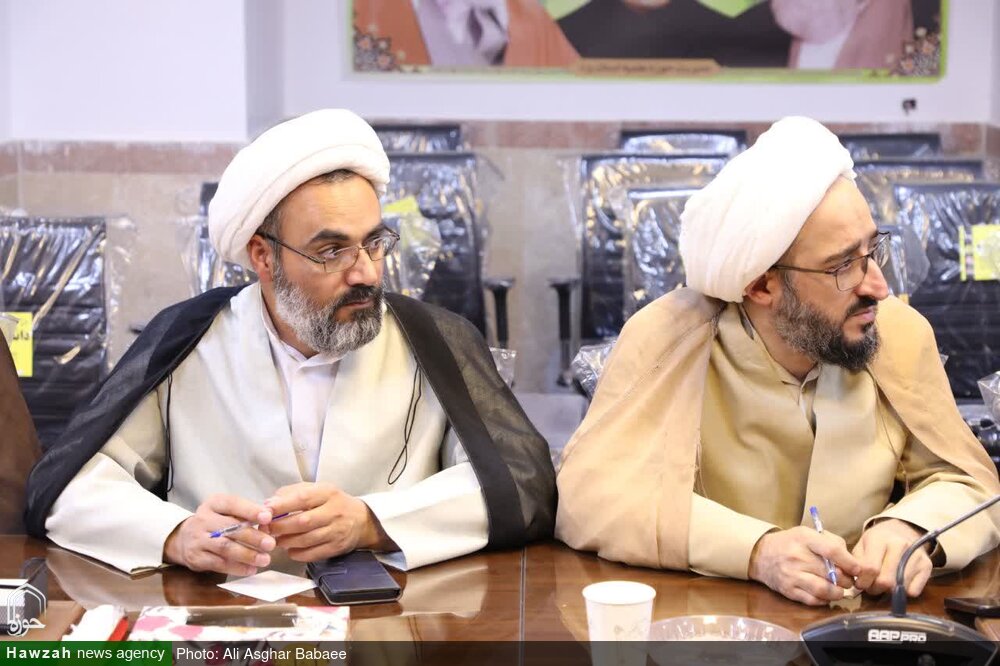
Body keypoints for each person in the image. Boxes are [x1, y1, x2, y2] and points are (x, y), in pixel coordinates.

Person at [25, 109, 555, 575]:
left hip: (391, 619)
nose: (366, 273)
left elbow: (521, 482)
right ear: (263, 255)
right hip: (224, 621)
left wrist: (372, 522)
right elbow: (68, 487)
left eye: (374, 242)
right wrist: (175, 535)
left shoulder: (434, 340)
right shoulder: (189, 342)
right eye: (332, 251)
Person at [555, 116, 1000, 606]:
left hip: (862, 622)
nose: (878, 286)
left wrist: (911, 527)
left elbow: (968, 479)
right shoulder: (668, 338)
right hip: (715, 620)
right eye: (843, 267)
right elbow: (589, 497)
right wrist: (756, 551)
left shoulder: (897, 333)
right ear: (761, 286)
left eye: (873, 251)